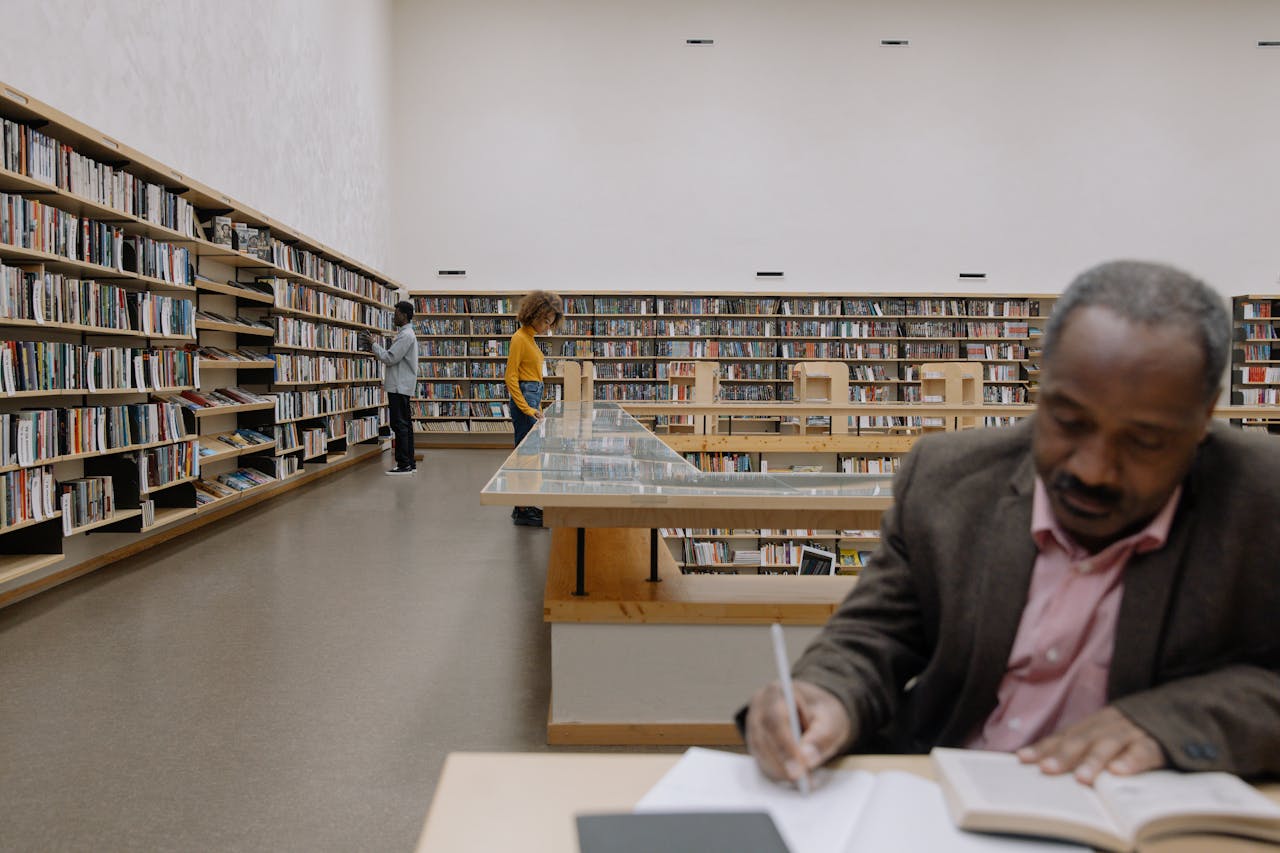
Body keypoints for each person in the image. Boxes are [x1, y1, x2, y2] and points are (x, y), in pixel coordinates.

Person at [744, 260, 1280, 786]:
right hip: (940, 797)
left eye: (1144, 442)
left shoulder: (1263, 499)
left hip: (1141, 815)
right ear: (1040, 387)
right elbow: (873, 635)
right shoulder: (947, 480)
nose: (1092, 469)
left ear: (1205, 416)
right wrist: (823, 693)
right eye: (1068, 421)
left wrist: (1170, 722)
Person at [506, 290, 563, 526]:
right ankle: (522, 508)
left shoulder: (530, 339)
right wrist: (528, 409)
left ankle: (523, 504)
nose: (547, 327)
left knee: (529, 454)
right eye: (545, 320)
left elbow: (533, 379)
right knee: (526, 454)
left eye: (551, 323)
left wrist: (536, 406)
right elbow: (511, 377)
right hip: (525, 402)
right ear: (534, 314)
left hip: (532, 399)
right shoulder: (519, 338)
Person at [359, 300, 419, 475]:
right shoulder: (406, 334)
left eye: (397, 313)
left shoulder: (406, 335)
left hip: (399, 387)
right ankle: (409, 462)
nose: (394, 316)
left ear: (404, 315)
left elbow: (390, 358)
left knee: (399, 425)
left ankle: (404, 464)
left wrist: (373, 344)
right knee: (405, 425)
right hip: (402, 386)